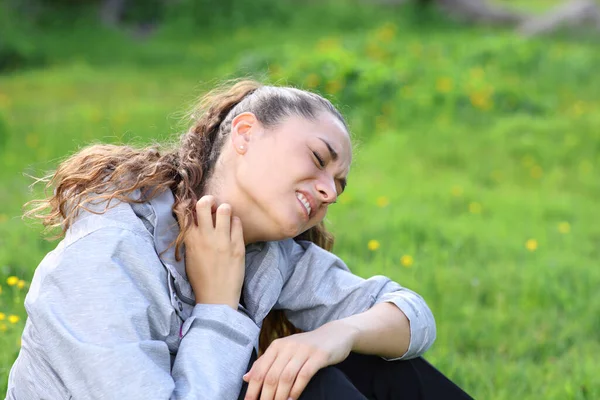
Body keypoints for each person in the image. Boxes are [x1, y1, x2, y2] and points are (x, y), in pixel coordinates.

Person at [6, 80, 472, 399]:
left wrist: (336, 336)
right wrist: (218, 308)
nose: (330, 190)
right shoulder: (106, 258)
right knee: (311, 389)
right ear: (245, 134)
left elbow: (410, 313)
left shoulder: (270, 255)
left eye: (338, 184)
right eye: (317, 158)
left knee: (366, 367)